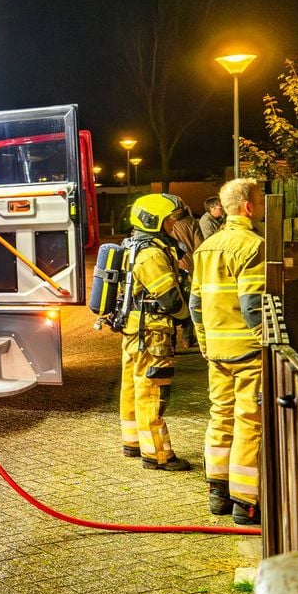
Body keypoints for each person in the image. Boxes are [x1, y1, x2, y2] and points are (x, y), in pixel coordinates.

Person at [189, 178, 266, 525]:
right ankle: (245, 502)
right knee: (249, 423)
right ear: (249, 207)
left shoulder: (205, 248)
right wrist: (268, 340)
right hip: (249, 352)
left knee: (220, 418)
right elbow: (252, 305)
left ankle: (217, 494)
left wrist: (204, 343)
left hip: (217, 352)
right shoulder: (254, 246)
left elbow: (195, 304)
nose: (263, 205)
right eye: (260, 200)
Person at [119, 193, 192, 471]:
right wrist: (187, 320)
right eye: (170, 220)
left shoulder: (133, 246)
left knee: (132, 386)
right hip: (152, 332)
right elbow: (170, 298)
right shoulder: (151, 253)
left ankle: (133, 442)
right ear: (154, 222)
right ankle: (158, 455)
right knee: (152, 390)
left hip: (135, 329)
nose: (174, 225)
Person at [168, 205, 203, 349]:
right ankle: (187, 338)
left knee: (172, 303)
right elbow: (200, 245)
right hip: (189, 268)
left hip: (172, 268)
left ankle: (171, 342)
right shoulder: (192, 223)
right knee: (189, 303)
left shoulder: (167, 224)